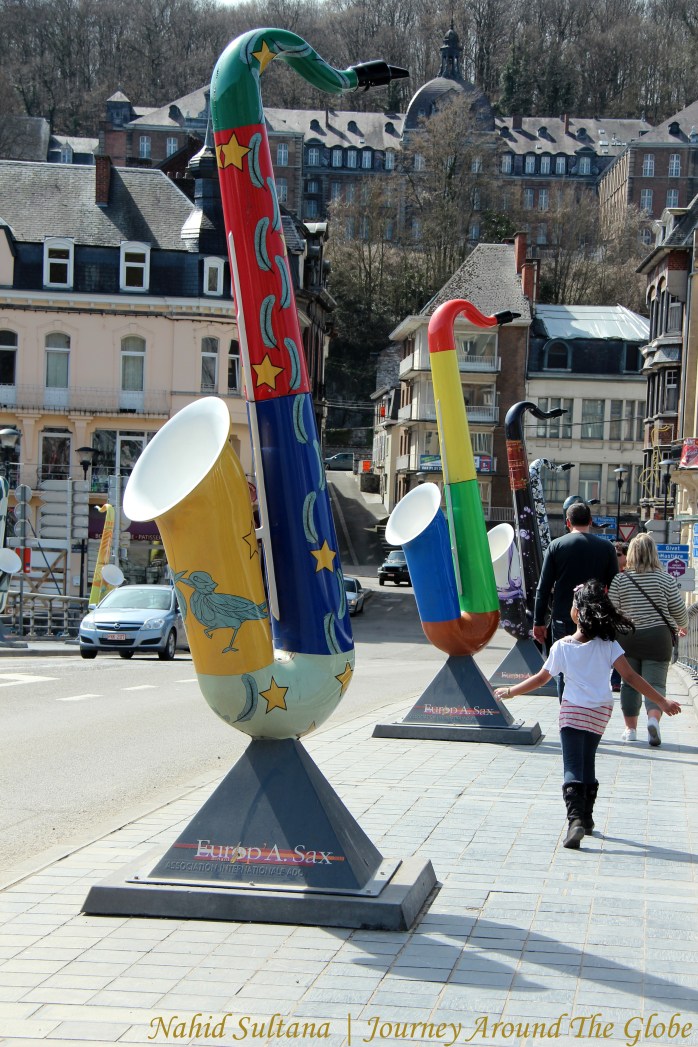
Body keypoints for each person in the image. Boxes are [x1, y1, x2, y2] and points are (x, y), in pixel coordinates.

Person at [495, 581, 681, 849]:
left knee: (572, 766)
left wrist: (510, 691)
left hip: (573, 711)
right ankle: (589, 818)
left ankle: (575, 821)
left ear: (578, 613)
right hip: (600, 711)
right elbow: (630, 677)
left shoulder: (562, 646)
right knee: (587, 761)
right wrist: (661, 701)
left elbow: (540, 679)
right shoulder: (608, 645)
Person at [608, 532, 687, 747]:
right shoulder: (665, 579)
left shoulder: (620, 579)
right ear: (654, 553)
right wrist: (683, 625)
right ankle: (653, 720)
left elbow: (612, 610)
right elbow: (680, 612)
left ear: (631, 553)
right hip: (658, 637)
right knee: (655, 683)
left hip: (628, 638)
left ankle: (630, 729)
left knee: (629, 683)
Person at [533, 501, 619, 696]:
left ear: (567, 522)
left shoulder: (556, 546)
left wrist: (539, 621)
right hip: (596, 619)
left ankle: (567, 711)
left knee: (564, 669)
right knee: (594, 666)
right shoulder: (606, 548)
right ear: (590, 521)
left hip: (563, 616)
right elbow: (614, 587)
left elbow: (543, 587)